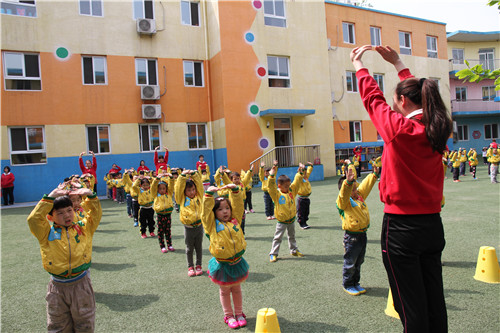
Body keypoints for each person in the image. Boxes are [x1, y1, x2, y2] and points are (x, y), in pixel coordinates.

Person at [351, 45, 452, 332]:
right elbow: (421, 96)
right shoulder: (437, 126)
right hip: (432, 225)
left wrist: (360, 66)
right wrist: (398, 64)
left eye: (396, 100)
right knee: (434, 300)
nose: (392, 105)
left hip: (402, 228)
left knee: (410, 308)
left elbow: (373, 100)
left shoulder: (400, 128)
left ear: (402, 102)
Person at [27, 183, 101, 332]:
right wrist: (49, 198)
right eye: (60, 213)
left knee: (84, 324)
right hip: (57, 287)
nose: (67, 215)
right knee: (58, 326)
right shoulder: (45, 233)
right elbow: (33, 219)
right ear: (50, 216)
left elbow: (95, 214)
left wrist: (90, 195)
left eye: (69, 210)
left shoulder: (83, 228)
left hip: (81, 284)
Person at [202, 184, 248, 329]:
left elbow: (239, 207)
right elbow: (205, 213)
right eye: (220, 209)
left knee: (237, 289)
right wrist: (208, 196)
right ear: (214, 212)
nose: (225, 212)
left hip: (238, 262)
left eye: (227, 208)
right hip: (222, 265)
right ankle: (228, 315)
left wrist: (235, 192)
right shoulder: (212, 226)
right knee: (224, 290)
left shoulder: (235, 221)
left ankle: (239, 313)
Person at [336, 165, 379, 295]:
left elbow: (365, 186)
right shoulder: (344, 201)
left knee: (359, 261)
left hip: (362, 235)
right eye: (353, 190)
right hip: (351, 237)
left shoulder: (358, 196)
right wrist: (348, 183)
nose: (356, 191)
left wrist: (374, 175)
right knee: (350, 262)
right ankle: (347, 284)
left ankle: (355, 282)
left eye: (355, 188)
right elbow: (344, 194)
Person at [268, 163, 305, 262]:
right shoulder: (276, 194)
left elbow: (296, 182)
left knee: (292, 236)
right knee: (278, 238)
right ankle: (273, 253)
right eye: (285, 186)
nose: (288, 187)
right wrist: (271, 176)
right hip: (281, 221)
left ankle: (293, 250)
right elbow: (270, 187)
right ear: (279, 186)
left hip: (291, 220)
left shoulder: (291, 191)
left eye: (288, 185)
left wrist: (300, 172)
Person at [175, 169, 204, 277]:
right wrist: (182, 176)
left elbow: (200, 185)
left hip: (199, 226)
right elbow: (178, 188)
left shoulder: (199, 197)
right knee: (189, 248)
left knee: (199, 247)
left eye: (193, 189)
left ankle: (199, 265)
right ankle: (190, 266)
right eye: (189, 190)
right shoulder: (181, 199)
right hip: (188, 228)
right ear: (184, 192)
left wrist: (194, 175)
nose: (192, 192)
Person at [153, 172, 175, 253]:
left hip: (168, 215)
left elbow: (171, 186)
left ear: (166, 189)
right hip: (160, 215)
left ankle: (169, 245)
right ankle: (162, 246)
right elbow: (153, 187)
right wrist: (157, 179)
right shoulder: (155, 195)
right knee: (160, 232)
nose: (162, 190)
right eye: (160, 189)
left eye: (164, 188)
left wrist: (171, 178)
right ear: (157, 189)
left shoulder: (168, 194)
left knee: (168, 231)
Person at [296, 162, 314, 229]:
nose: (305, 174)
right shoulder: (300, 179)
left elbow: (309, 171)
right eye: (304, 172)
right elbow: (299, 174)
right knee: (301, 212)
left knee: (306, 212)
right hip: (301, 199)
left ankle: (305, 222)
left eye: (306, 172)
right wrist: (301, 168)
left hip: (307, 198)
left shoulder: (306, 177)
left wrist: (311, 166)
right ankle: (301, 223)